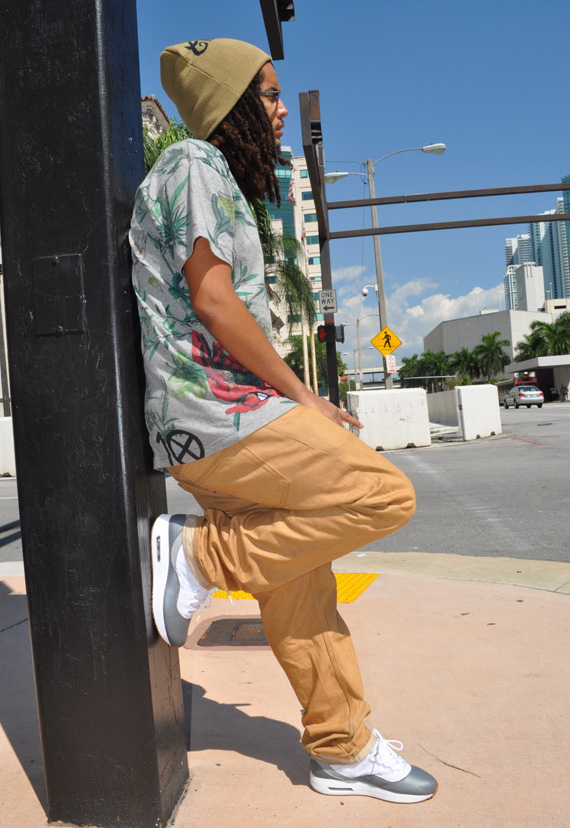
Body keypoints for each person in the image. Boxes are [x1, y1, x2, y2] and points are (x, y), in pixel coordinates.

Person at [129, 37, 437, 804]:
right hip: (217, 412)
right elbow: (213, 300)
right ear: (230, 103)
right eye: (266, 95)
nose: (277, 112)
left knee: (299, 581)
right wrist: (303, 397)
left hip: (215, 422)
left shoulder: (217, 178)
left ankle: (342, 747)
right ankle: (201, 560)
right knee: (382, 494)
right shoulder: (193, 164)